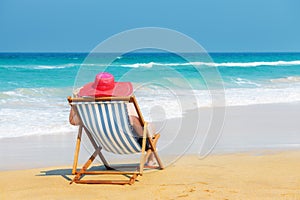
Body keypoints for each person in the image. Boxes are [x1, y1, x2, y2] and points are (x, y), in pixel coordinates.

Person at [69, 72, 155, 165]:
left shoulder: (88, 109)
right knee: (147, 126)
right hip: (130, 143)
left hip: (105, 143)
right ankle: (151, 159)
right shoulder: (121, 105)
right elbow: (134, 122)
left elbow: (73, 121)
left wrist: (75, 102)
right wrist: (147, 134)